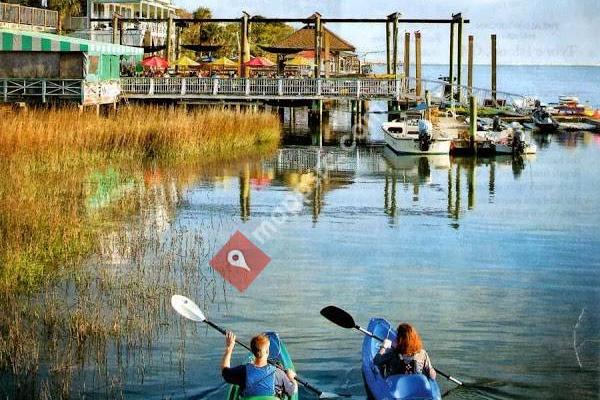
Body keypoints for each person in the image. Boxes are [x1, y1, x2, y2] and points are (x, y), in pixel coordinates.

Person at [221, 331, 298, 398]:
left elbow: (225, 371)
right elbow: (292, 391)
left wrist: (229, 348)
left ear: (253, 351)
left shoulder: (242, 371)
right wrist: (291, 378)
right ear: (267, 352)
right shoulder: (278, 373)